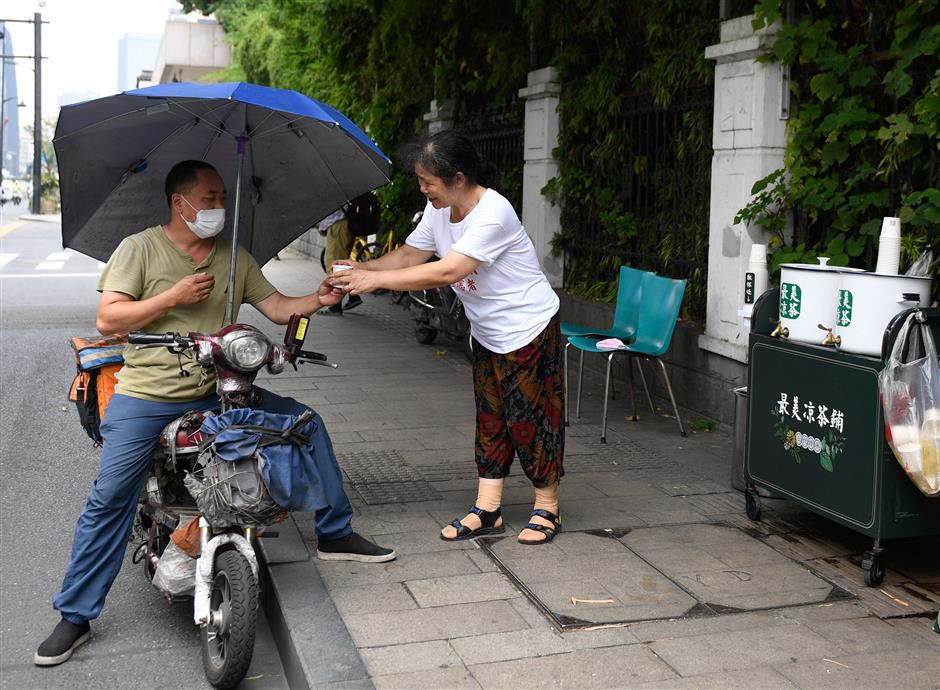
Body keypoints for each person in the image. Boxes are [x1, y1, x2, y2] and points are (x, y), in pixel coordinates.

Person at [35, 160, 394, 668]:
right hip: (148, 395)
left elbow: (275, 307)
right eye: (209, 198)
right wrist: (173, 296)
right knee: (110, 496)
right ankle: (75, 615)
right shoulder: (139, 248)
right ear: (179, 203)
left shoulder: (232, 257)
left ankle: (335, 531)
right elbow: (108, 317)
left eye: (223, 197)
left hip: (219, 389)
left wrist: (319, 297)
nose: (219, 207)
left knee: (303, 425)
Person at [328, 130, 564, 546]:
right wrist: (362, 268)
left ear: (458, 178)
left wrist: (373, 281)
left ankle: (547, 506)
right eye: (420, 180)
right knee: (490, 417)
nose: (422, 189)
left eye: (427, 182)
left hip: (527, 327)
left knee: (529, 417)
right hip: (488, 332)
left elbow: (446, 271)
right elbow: (411, 255)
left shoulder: (494, 212)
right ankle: (488, 509)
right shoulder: (440, 208)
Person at [321, 208, 363, 314]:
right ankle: (352, 296)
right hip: (344, 223)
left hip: (338, 223)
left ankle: (336, 305)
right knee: (341, 263)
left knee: (335, 265)